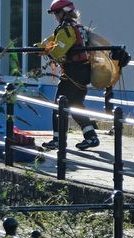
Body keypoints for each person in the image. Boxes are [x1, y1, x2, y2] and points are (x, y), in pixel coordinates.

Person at [37, 0, 100, 151]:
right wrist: (38, 48)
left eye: (56, 13)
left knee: (59, 105)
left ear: (63, 12)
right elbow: (49, 41)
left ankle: (58, 140)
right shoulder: (77, 27)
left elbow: (57, 51)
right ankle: (91, 136)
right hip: (83, 71)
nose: (55, 17)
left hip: (73, 72)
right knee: (76, 104)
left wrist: (46, 51)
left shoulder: (67, 29)